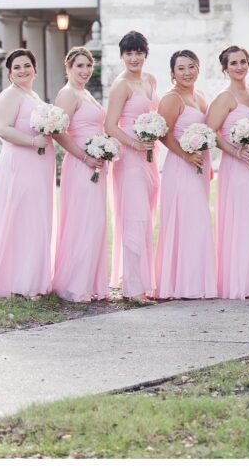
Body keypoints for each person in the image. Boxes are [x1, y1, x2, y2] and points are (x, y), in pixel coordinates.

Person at [0, 49, 55, 298]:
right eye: (17, 67)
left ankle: (32, 277)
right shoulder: (9, 95)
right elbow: (2, 129)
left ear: (36, 69)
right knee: (22, 217)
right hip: (20, 163)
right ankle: (17, 282)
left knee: (35, 218)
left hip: (38, 166)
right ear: (9, 73)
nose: (23, 70)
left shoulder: (32, 95)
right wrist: (34, 143)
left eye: (27, 65)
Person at [207, 45, 249, 300]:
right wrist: (234, 152)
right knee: (245, 221)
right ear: (225, 69)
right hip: (237, 166)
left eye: (243, 61)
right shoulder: (224, 98)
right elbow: (210, 132)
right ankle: (242, 282)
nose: (239, 67)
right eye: (233, 63)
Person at [155, 50, 217, 299]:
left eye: (191, 66)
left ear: (198, 68)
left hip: (200, 165)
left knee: (197, 222)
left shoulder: (200, 97)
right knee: (188, 221)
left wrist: (206, 161)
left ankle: (197, 281)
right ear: (172, 73)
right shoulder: (171, 98)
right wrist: (186, 155)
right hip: (181, 165)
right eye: (181, 68)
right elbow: (164, 134)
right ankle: (183, 284)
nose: (187, 72)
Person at [51, 47, 110, 302]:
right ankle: (75, 285)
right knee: (82, 221)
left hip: (96, 164)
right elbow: (59, 132)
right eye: (79, 66)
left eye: (88, 66)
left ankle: (90, 282)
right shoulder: (67, 94)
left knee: (95, 223)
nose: (85, 71)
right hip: (80, 164)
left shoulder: (84, 93)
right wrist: (85, 156)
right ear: (68, 68)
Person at [104, 31, 159, 301]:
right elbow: (110, 125)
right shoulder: (121, 85)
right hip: (129, 159)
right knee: (134, 218)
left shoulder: (151, 80)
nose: (134, 58)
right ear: (122, 56)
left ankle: (143, 281)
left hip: (150, 157)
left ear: (145, 54)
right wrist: (136, 145)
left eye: (138, 52)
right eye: (129, 53)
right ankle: (133, 288)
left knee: (147, 218)